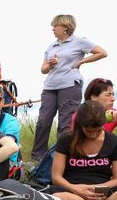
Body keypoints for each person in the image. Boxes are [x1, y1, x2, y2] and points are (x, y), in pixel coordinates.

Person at [31, 14, 107, 163]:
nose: (52, 29)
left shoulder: (79, 41)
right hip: (50, 86)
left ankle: (62, 157)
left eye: (55, 26)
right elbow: (43, 70)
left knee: (65, 123)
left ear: (65, 27)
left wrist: (81, 62)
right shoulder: (51, 46)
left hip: (70, 85)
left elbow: (102, 53)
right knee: (43, 121)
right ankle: (37, 157)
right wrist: (49, 64)